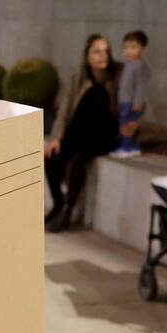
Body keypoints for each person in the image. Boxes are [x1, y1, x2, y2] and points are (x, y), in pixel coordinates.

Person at [43, 34, 120, 233]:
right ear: (87, 56)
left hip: (104, 136)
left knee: (79, 158)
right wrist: (56, 138)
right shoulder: (78, 80)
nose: (103, 56)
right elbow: (64, 112)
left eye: (106, 51)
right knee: (51, 157)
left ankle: (68, 210)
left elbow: (122, 111)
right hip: (80, 134)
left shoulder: (117, 77)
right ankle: (58, 203)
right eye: (97, 51)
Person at [109, 29, 150, 158]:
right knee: (128, 124)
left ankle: (126, 148)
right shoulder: (129, 64)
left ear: (142, 48)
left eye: (133, 47)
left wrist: (138, 102)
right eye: (126, 47)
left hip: (131, 102)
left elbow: (140, 85)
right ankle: (133, 147)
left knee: (127, 126)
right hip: (125, 101)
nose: (129, 50)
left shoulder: (139, 66)